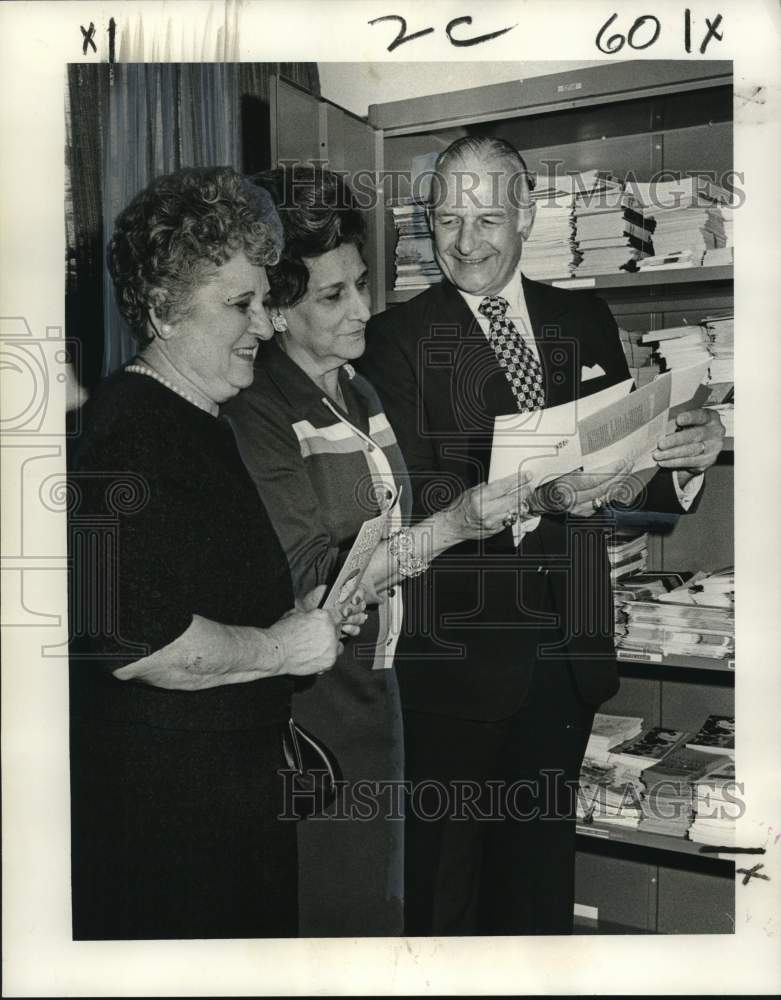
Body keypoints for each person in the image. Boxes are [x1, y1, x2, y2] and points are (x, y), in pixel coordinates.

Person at [359, 136, 726, 936]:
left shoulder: (580, 316)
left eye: (488, 216)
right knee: (443, 898)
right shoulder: (394, 338)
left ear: (525, 214)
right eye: (447, 218)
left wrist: (684, 457)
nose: (465, 241)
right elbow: (412, 493)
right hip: (457, 663)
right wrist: (535, 492)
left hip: (566, 654)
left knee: (536, 897)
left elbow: (625, 469)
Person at [223, 166, 533, 936]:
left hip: (381, 696)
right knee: (331, 920)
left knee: (381, 915)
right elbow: (314, 589)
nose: (363, 308)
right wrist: (455, 524)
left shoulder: (356, 390)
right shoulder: (258, 411)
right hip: (313, 712)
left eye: (361, 281)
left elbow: (393, 518)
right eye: (332, 296)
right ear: (273, 310)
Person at [68, 165, 365, 940]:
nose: (265, 326)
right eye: (240, 304)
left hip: (227, 803)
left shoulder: (199, 416)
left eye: (264, 301)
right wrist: (277, 646)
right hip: (170, 828)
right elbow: (136, 643)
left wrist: (297, 615)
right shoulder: (127, 433)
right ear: (164, 311)